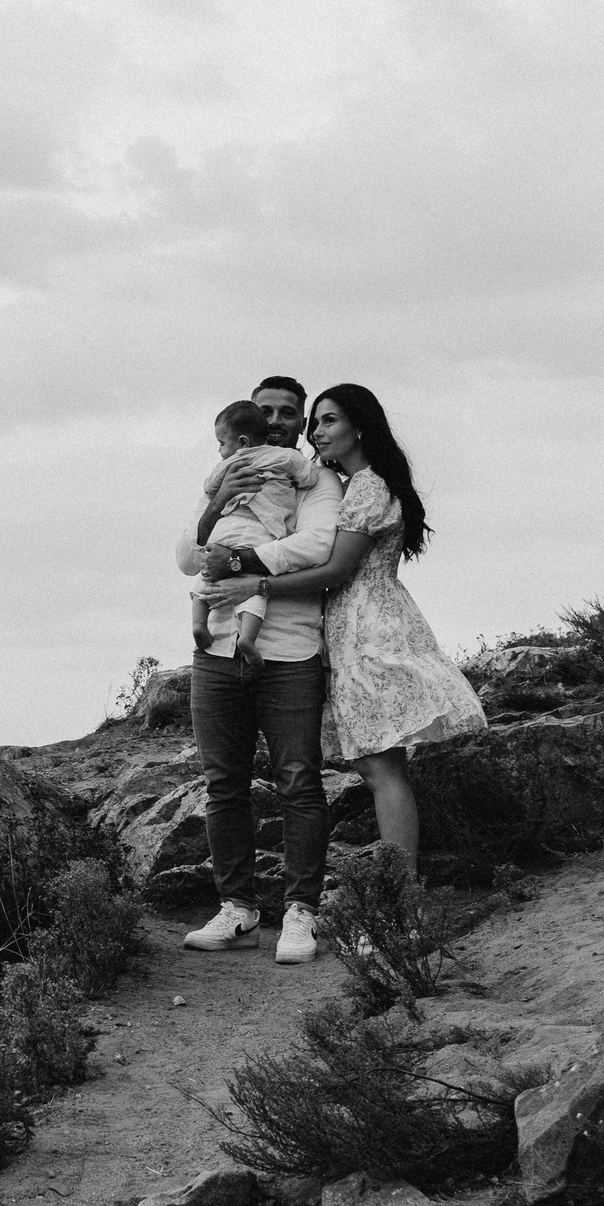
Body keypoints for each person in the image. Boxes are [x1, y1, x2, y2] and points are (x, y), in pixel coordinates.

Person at [196, 382, 483, 888]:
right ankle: (398, 893)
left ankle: (401, 898)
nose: (315, 432)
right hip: (349, 630)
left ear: (360, 427)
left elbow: (336, 570)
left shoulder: (369, 487)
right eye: (316, 423)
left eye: (327, 421)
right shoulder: (344, 483)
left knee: (382, 769)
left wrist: (256, 580)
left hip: (370, 630)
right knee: (377, 768)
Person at [175, 376, 340, 965]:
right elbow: (185, 556)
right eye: (265, 409)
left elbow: (318, 546)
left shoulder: (314, 477)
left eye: (288, 413)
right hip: (216, 649)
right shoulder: (231, 470)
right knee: (224, 786)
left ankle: (301, 912)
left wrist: (244, 562)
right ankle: (239, 910)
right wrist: (222, 506)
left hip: (291, 650)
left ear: (300, 422)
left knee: (298, 779)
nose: (275, 420)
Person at [192, 399, 322, 664]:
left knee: (205, 575)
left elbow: (209, 486)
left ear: (241, 442)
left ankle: (199, 624)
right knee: (252, 589)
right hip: (261, 532)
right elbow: (309, 476)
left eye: (221, 444)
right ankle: (248, 638)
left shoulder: (229, 465)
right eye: (266, 413)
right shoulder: (286, 457)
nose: (220, 450)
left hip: (225, 528)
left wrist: (220, 491)